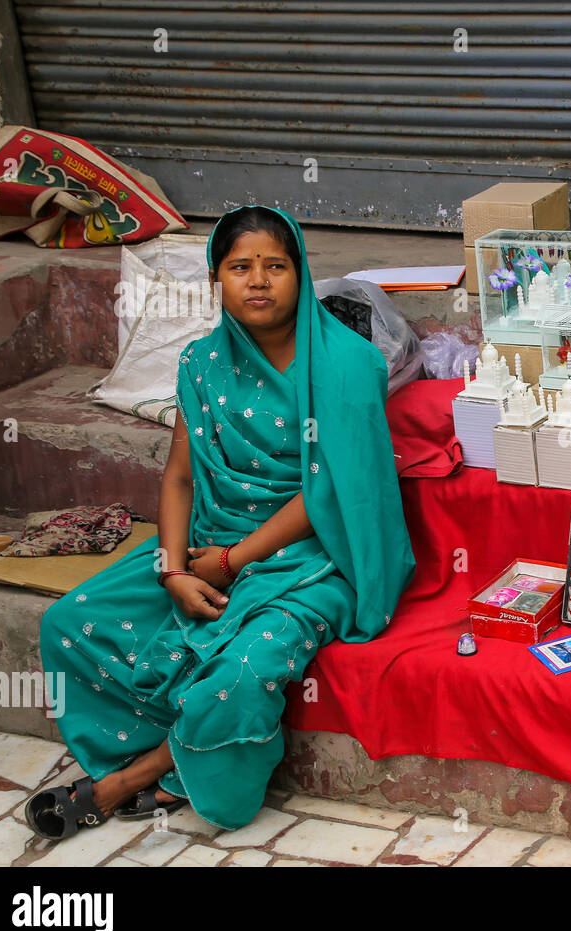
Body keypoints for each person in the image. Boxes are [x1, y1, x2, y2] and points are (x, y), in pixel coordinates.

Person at [26, 206, 415, 837]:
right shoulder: (201, 362)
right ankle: (157, 752)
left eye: (275, 267)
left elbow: (334, 493)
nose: (258, 281)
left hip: (313, 556)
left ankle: (135, 777)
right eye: (240, 268)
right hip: (209, 541)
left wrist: (236, 561)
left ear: (301, 273)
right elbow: (180, 475)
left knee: (238, 677)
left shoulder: (346, 365)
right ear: (216, 281)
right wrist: (174, 568)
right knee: (68, 622)